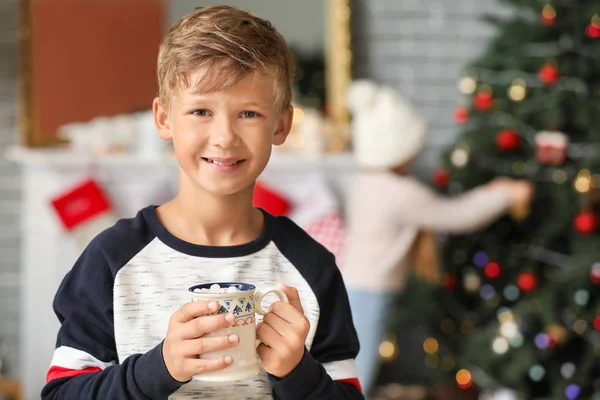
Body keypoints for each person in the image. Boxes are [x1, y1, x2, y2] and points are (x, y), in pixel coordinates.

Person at [41, 6, 363, 399]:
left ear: (281, 125)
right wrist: (157, 369)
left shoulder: (312, 266)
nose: (224, 137)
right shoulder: (110, 259)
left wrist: (299, 374)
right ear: (163, 119)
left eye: (249, 113)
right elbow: (60, 393)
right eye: (200, 111)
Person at [341, 80, 534, 395]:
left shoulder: (365, 181)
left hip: (354, 284)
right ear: (397, 149)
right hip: (368, 291)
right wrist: (501, 193)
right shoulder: (398, 192)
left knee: (351, 367)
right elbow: (456, 215)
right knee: (356, 373)